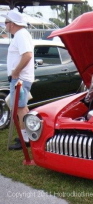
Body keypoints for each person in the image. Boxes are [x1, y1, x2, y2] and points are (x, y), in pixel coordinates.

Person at [1, 10, 35, 150]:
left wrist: (15, 72)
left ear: (13, 24)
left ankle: (25, 140)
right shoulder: (21, 35)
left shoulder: (21, 35)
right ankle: (27, 136)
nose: (5, 25)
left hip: (19, 79)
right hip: (20, 78)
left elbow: (27, 55)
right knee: (23, 109)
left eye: (6, 22)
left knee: (19, 109)